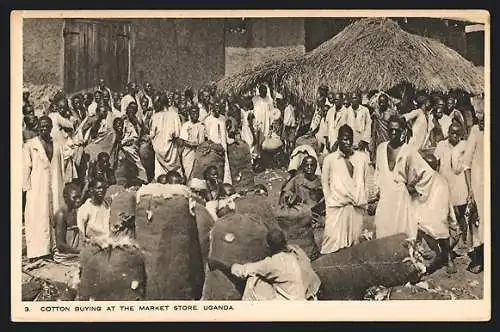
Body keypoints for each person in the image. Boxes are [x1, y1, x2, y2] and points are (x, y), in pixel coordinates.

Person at [373, 115, 435, 240]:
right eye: (391, 130)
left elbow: (426, 172)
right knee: (382, 231)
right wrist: (377, 189)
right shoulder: (381, 148)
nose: (394, 133)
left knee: (400, 232)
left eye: (397, 130)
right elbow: (378, 172)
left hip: (401, 198)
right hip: (385, 197)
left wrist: (413, 187)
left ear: (403, 131)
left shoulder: (409, 151)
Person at [228, 228, 321, 300]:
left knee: (253, 280)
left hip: (296, 303)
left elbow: (244, 270)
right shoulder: (297, 249)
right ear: (285, 241)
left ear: (269, 246)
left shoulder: (272, 263)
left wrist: (231, 266)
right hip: (312, 291)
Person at [320, 124, 369, 254]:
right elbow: (325, 182)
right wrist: (330, 200)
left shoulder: (362, 158)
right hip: (336, 207)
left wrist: (362, 198)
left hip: (356, 206)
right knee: (332, 241)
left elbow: (365, 180)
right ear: (339, 139)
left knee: (355, 241)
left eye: (350, 139)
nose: (348, 142)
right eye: (345, 139)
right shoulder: (330, 159)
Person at [23, 116, 66, 260]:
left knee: (54, 214)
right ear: (37, 127)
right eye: (41, 126)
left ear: (51, 127)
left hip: (55, 183)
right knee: (38, 216)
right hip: (37, 187)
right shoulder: (31, 145)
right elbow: (25, 169)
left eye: (47, 126)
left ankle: (53, 248)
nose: (44, 128)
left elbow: (61, 167)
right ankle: (38, 251)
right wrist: (26, 187)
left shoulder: (58, 144)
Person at [414, 153, 460, 274]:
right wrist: (454, 224)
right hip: (441, 227)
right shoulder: (442, 180)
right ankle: (449, 260)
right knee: (444, 230)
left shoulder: (421, 181)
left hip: (425, 226)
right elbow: (448, 206)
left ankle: (421, 257)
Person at [434, 123, 469, 247]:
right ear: (448, 132)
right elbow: (436, 164)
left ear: (461, 135)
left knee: (460, 214)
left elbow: (467, 169)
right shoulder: (441, 145)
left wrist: (470, 190)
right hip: (445, 184)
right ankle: (448, 244)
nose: (454, 135)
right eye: (451, 132)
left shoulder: (464, 146)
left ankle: (460, 243)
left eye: (457, 134)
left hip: (460, 186)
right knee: (446, 214)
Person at [462, 110, 484, 274]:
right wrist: (470, 190)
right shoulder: (476, 132)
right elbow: (466, 164)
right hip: (479, 185)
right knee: (477, 221)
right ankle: (478, 259)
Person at [150, 94, 182, 178]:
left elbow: (152, 134)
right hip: (172, 150)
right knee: (175, 175)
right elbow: (177, 134)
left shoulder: (155, 117)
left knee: (160, 175)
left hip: (159, 150)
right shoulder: (174, 115)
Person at [53, 183, 83, 264]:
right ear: (66, 198)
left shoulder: (77, 211)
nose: (78, 200)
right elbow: (60, 245)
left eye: (79, 197)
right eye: (74, 197)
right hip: (65, 256)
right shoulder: (61, 214)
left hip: (75, 253)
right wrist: (80, 251)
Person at [204, 99, 232, 184]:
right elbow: (207, 136)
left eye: (219, 107)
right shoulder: (208, 120)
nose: (218, 109)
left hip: (223, 147)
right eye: (215, 107)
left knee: (225, 166)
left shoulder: (223, 118)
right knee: (214, 167)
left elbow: (225, 134)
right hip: (213, 148)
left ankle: (226, 184)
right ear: (212, 108)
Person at [77, 178, 111, 243]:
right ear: (91, 190)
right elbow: (81, 235)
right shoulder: (85, 208)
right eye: (98, 188)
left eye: (104, 188)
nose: (102, 190)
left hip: (108, 242)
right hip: (92, 244)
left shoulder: (107, 205)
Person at [179, 105, 206, 182]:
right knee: (189, 172)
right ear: (190, 114)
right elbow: (183, 141)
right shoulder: (186, 125)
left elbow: (205, 137)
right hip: (189, 153)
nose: (195, 115)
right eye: (193, 113)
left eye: (196, 113)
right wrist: (193, 145)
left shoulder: (202, 125)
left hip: (200, 153)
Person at [370, 93, 399, 162]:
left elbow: (399, 125)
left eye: (383, 102)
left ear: (387, 102)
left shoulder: (392, 113)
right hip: (379, 140)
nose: (382, 104)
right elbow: (374, 128)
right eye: (380, 102)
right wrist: (372, 142)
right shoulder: (376, 112)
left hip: (388, 139)